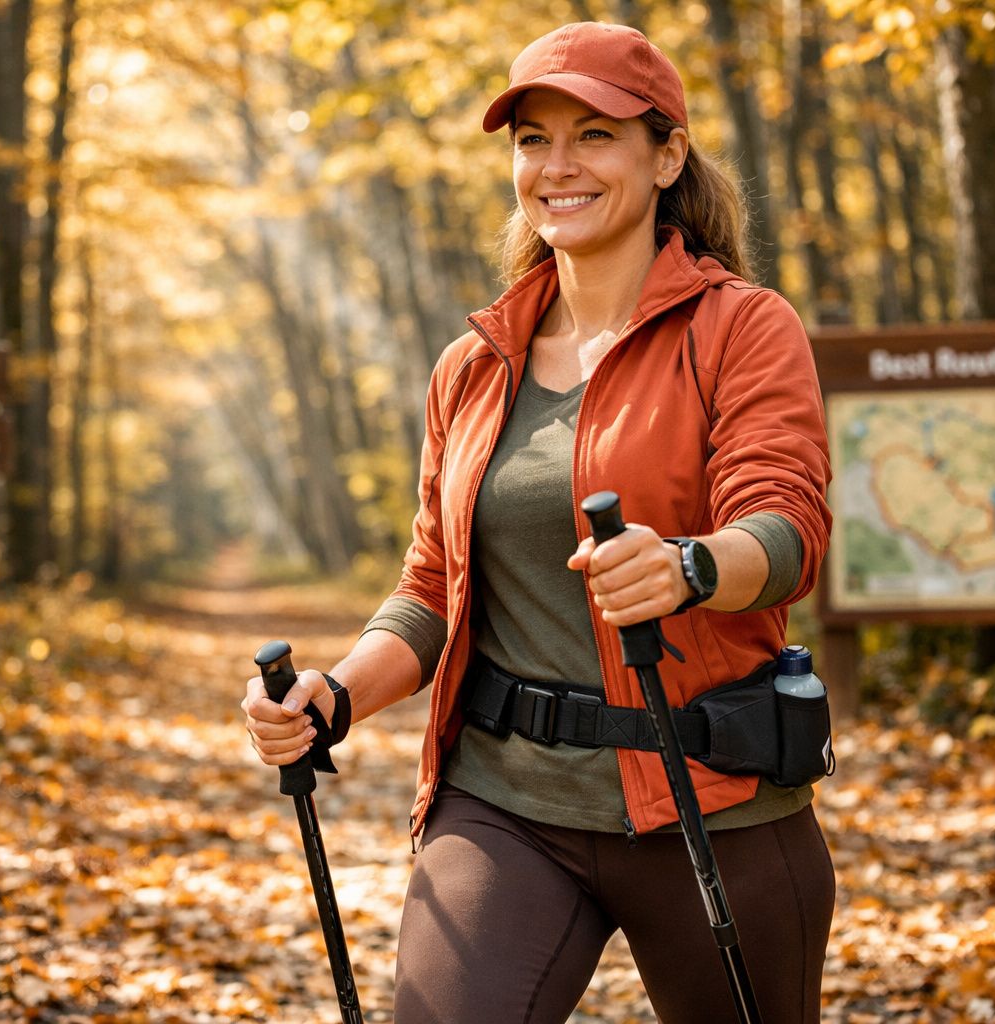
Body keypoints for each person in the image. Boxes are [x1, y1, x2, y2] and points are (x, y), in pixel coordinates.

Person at [242, 21, 834, 1024]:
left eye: (595, 134)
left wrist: (692, 567)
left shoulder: (742, 327)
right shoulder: (474, 364)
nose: (558, 165)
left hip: (712, 794)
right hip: (505, 801)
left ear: (667, 155)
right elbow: (432, 586)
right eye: (532, 139)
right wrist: (334, 695)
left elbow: (786, 526)